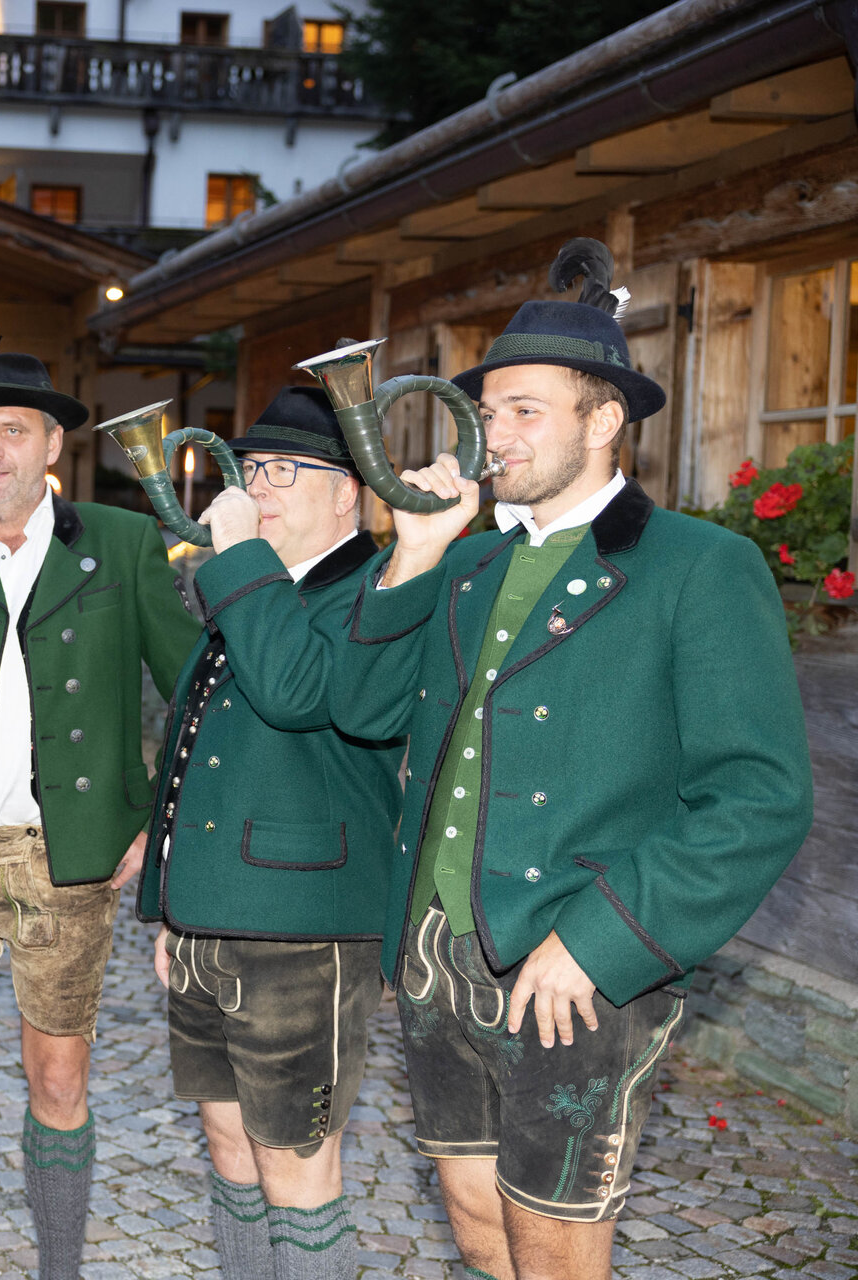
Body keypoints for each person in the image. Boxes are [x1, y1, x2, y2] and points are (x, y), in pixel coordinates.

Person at [325, 239, 814, 1280]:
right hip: (435, 952)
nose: (496, 434)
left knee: (552, 1250)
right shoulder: (465, 558)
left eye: (526, 411)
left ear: (605, 420)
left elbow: (758, 796)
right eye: (489, 411)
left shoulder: (698, 566)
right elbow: (361, 710)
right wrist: (412, 554)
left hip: (572, 966)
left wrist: (602, 938)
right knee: (472, 1228)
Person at [0, 346, 201, 1276]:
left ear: (54, 442)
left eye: (14, 432)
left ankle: (59, 1264)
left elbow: (194, 688)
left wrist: (160, 822)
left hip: (74, 854)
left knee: (59, 1079)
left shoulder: (123, 541)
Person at [138, 386, 402, 1280]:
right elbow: (193, 752)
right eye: (253, 470)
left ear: (350, 495)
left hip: (307, 929)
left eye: (289, 470)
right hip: (218, 915)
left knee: (297, 1163)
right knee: (227, 1141)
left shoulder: (374, 589)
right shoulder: (257, 588)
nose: (261, 487)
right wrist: (175, 907)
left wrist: (241, 555)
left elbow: (295, 693)